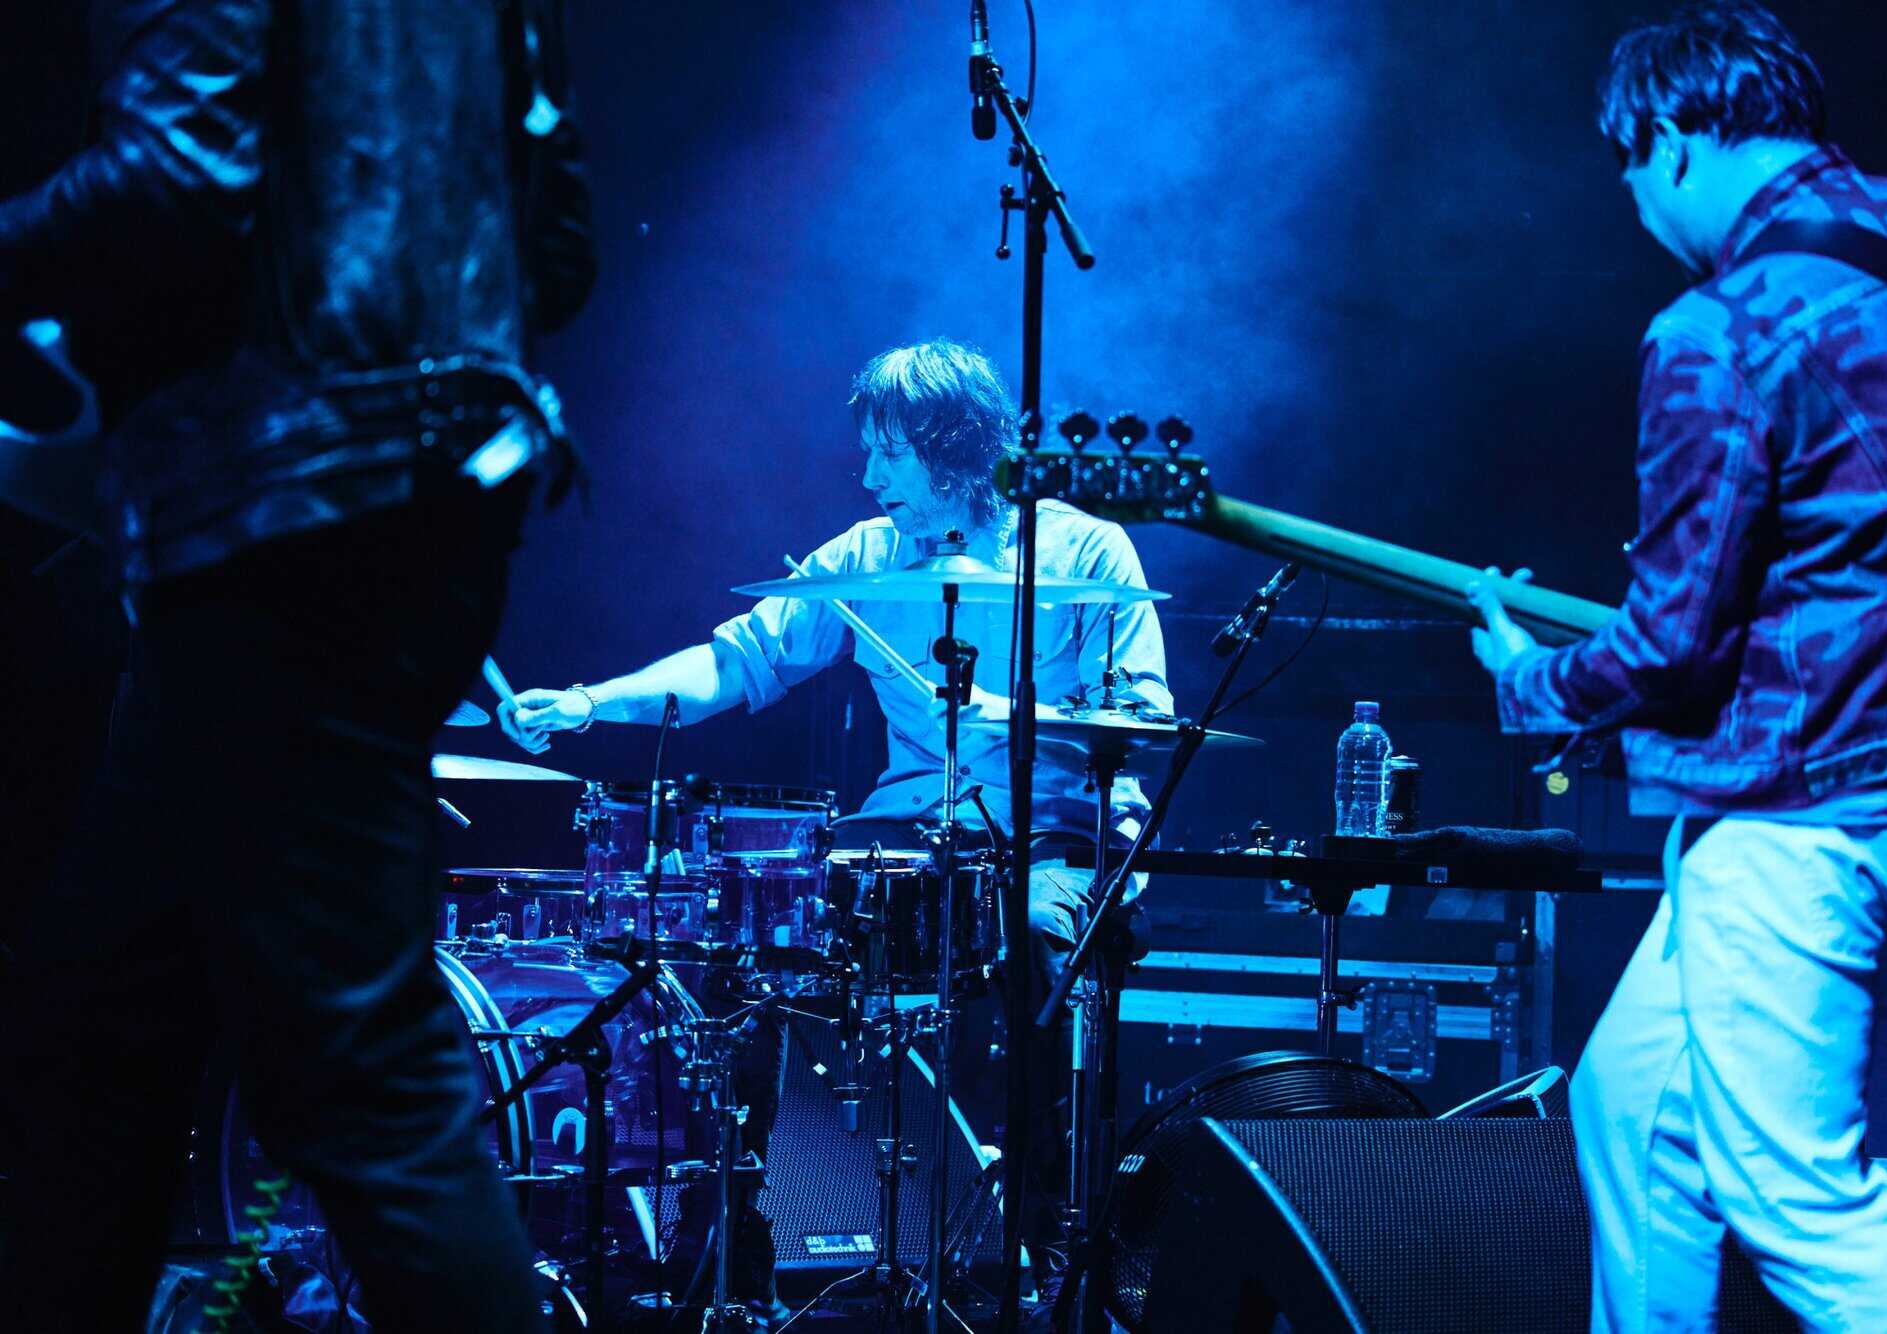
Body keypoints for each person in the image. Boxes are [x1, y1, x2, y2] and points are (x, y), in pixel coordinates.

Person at [0, 2, 593, 1330]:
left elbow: (173, 178)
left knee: (363, 1069)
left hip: (277, 514)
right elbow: (558, 251)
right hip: (422, 489)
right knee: (96, 1032)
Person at [1466, 4, 1887, 1329]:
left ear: (1671, 138)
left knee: (1795, 1196)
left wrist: (1526, 678)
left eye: (1630, 170)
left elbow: (1668, 643)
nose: (1641, 207)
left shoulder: (1719, 329)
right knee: (1631, 1104)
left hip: (1799, 810)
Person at [502, 336, 1173, 1287]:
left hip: (1057, 834)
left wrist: (1007, 716)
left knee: (1030, 930)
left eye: (888, 454)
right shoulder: (863, 557)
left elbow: (1145, 720)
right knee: (750, 923)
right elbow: (733, 662)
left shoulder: (1087, 552)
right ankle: (729, 1227)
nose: (868, 477)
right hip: (912, 829)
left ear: (951, 447)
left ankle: (1042, 1242)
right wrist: (585, 702)